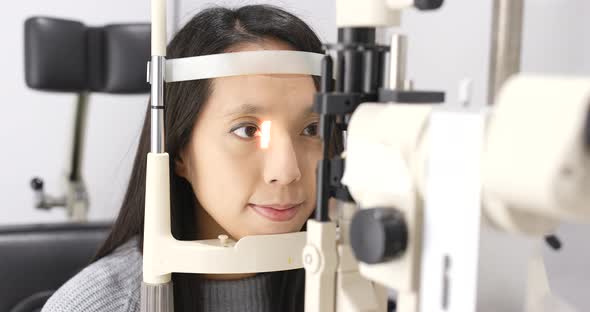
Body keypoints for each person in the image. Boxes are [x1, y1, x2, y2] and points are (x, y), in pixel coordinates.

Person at [41, 4, 328, 312]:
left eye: (311, 129)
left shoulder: (348, 285)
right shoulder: (99, 305)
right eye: (247, 130)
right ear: (178, 150)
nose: (286, 171)